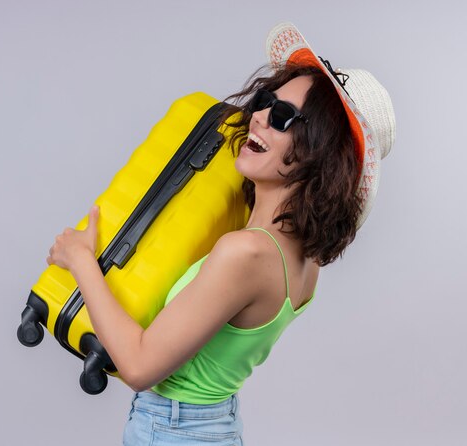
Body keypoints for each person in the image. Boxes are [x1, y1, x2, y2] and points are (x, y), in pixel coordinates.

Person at [45, 23, 395, 445]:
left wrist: (82, 259)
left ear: (318, 152)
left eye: (284, 118)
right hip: (212, 427)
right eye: (266, 102)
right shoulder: (303, 259)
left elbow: (139, 366)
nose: (261, 117)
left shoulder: (245, 252)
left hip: (174, 431)